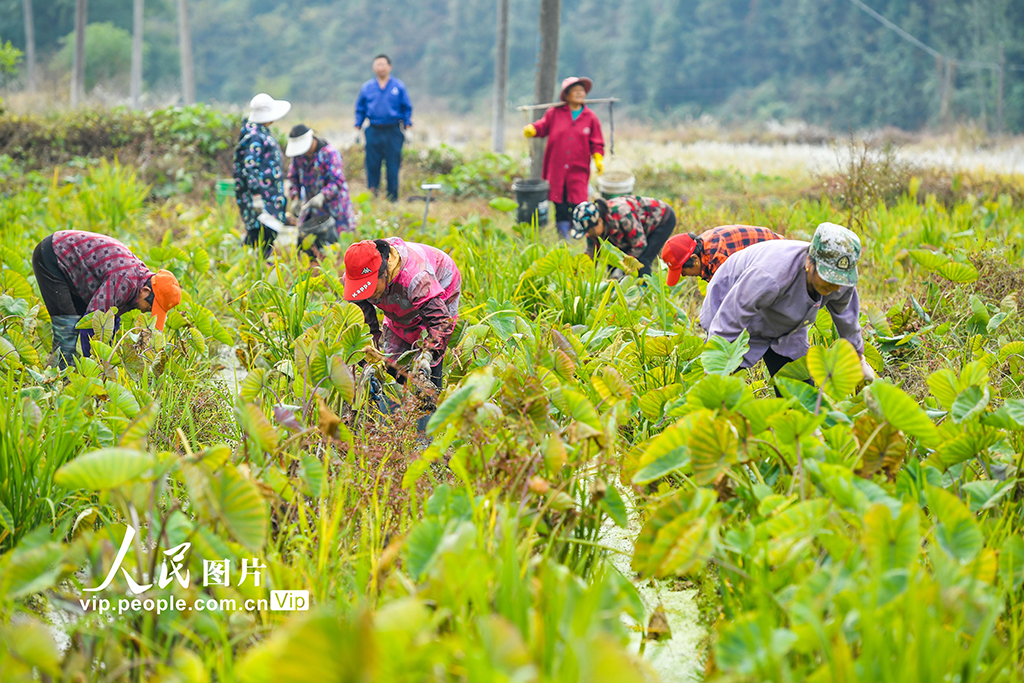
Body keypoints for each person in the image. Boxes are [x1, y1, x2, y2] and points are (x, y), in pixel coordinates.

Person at [699, 222, 875, 391]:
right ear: (809, 262)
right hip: (734, 305)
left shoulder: (841, 283)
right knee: (724, 386)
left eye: (840, 280)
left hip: (788, 318)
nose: (835, 286)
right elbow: (730, 318)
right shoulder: (770, 275)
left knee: (799, 394)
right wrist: (715, 367)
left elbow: (847, 318)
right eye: (828, 277)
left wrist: (858, 358)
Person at [31, 230, 181, 367]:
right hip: (54, 254)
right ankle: (58, 382)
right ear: (146, 290)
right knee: (67, 326)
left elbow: (109, 321)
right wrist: (97, 368)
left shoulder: (138, 281)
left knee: (82, 319)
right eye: (150, 307)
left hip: (77, 269)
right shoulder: (125, 280)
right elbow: (93, 322)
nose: (146, 312)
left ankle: (68, 374)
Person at [342, 238, 460, 392]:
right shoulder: (355, 279)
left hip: (440, 280)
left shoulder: (415, 278)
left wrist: (428, 354)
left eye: (370, 288)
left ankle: (430, 401)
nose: (369, 297)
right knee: (392, 361)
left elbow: (441, 322)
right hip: (399, 288)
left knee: (427, 365)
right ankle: (403, 397)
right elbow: (364, 326)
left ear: (384, 273)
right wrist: (369, 363)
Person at [524, 76, 604, 239]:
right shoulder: (554, 113)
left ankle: (577, 232)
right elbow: (542, 126)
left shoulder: (590, 117)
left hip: (578, 169)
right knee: (559, 201)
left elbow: (597, 142)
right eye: (575, 91)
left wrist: (598, 158)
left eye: (581, 91)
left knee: (578, 201)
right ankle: (563, 236)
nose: (579, 94)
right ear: (566, 95)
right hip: (557, 168)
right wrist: (532, 129)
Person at [234, 93, 290, 258]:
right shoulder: (255, 136)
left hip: (269, 191)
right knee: (264, 228)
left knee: (265, 228)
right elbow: (249, 166)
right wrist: (256, 194)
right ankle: (253, 261)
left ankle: (252, 259)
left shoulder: (259, 131)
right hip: (261, 194)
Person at [354, 54, 413, 202]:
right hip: (373, 129)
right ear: (374, 67)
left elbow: (406, 107)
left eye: (383, 64)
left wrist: (408, 127)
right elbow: (360, 108)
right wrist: (357, 128)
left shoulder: (398, 86)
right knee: (372, 164)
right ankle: (373, 196)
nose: (380, 68)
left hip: (393, 130)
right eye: (377, 65)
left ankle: (393, 198)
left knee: (393, 164)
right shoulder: (367, 87)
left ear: (389, 66)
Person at [570, 196, 675, 278]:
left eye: (589, 231)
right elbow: (591, 255)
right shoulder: (593, 228)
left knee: (642, 260)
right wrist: (581, 273)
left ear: (600, 221)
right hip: (637, 228)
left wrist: (623, 268)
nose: (589, 235)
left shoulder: (623, 216)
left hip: (661, 220)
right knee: (613, 259)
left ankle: (645, 294)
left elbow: (639, 245)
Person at [285, 124, 357, 240]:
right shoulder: (298, 157)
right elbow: (293, 178)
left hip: (334, 206)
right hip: (312, 207)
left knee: (338, 241)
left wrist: (323, 195)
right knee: (312, 241)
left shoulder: (329, 154)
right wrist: (296, 197)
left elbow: (337, 180)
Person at [662, 225, 783, 284]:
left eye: (682, 270)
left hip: (780, 256)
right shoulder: (703, 246)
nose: (683, 275)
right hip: (765, 260)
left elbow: (733, 298)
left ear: (695, 260)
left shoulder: (718, 259)